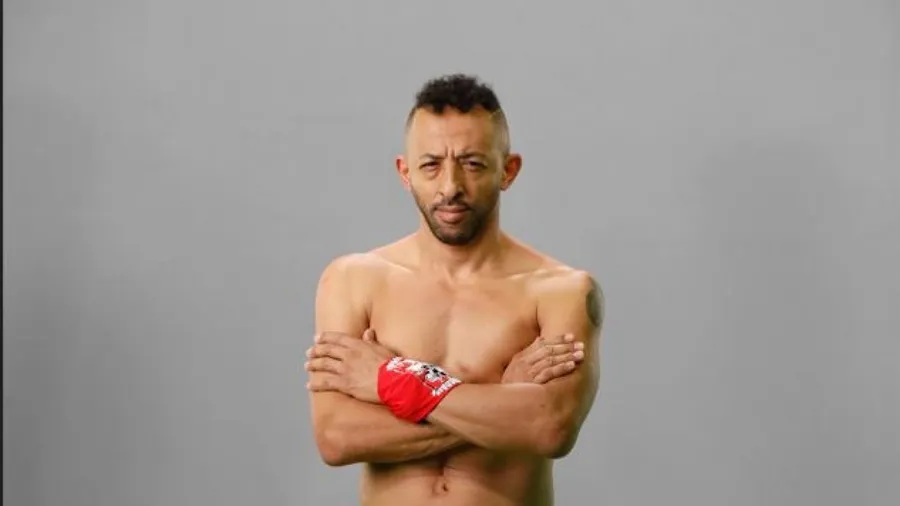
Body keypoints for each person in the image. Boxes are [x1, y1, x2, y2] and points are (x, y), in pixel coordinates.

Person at [304, 74, 605, 506]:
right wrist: (500, 401)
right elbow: (337, 438)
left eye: (473, 163)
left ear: (508, 170)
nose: (450, 187)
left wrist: (391, 380)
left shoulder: (561, 292)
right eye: (431, 165)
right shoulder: (353, 280)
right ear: (405, 173)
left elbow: (550, 429)